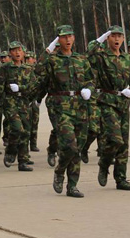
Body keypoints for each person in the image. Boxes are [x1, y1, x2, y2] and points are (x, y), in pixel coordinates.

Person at [36, 25, 94, 197]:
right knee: (69, 144)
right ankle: (60, 171)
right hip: (59, 106)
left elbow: (91, 79)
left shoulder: (81, 59)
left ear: (74, 38)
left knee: (78, 147)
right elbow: (38, 69)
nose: (67, 40)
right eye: (63, 37)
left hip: (80, 106)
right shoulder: (52, 60)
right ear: (58, 40)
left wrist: (88, 89)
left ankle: (73, 185)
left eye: (70, 36)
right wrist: (49, 49)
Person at [88, 26, 130, 191]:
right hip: (107, 101)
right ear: (108, 38)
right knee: (115, 139)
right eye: (113, 36)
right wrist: (100, 39)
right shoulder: (102, 56)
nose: (117, 39)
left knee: (123, 143)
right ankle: (104, 163)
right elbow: (89, 53)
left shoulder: (127, 59)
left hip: (123, 102)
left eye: (120, 36)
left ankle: (121, 179)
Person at [0, 41, 37, 172]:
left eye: (19, 50)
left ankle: (23, 161)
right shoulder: (4, 68)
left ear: (23, 52)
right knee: (17, 128)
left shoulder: (28, 69)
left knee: (26, 131)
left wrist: (22, 88)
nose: (17, 52)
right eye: (14, 50)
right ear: (10, 53)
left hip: (24, 101)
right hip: (10, 101)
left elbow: (33, 86)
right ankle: (11, 150)